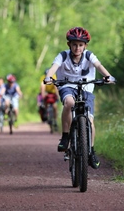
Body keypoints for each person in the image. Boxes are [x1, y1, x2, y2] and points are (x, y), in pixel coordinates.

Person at [44, 27, 116, 169]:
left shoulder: (89, 55)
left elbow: (99, 66)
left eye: (81, 45)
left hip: (86, 88)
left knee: (89, 119)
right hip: (67, 86)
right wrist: (48, 77)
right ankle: (65, 136)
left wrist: (108, 76)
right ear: (69, 45)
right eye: (74, 44)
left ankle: (91, 151)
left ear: (85, 46)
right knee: (69, 103)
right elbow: (54, 67)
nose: (77, 48)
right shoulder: (63, 56)